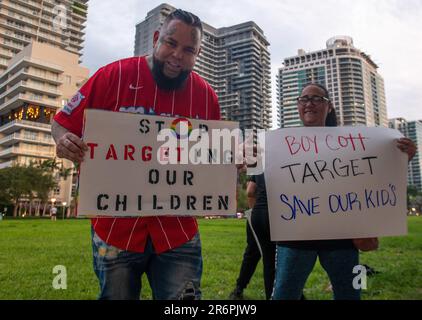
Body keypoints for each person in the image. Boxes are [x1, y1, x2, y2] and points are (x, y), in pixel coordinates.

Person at [51, 9, 221, 300]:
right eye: (170, 43)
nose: (177, 55)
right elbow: (61, 122)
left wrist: (232, 161)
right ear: (156, 39)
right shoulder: (112, 75)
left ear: (198, 53)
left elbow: (212, 157)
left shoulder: (207, 96)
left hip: (178, 231)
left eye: (189, 49)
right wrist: (64, 140)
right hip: (114, 230)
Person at [271, 83, 416, 300]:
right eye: (304, 99)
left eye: (317, 99)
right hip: (296, 236)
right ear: (298, 106)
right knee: (284, 295)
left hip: (344, 237)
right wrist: (251, 160)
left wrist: (406, 156)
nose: (310, 103)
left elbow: (376, 176)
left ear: (329, 107)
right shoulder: (281, 144)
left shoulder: (352, 143)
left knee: (350, 294)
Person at [230, 175, 276, 300]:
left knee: (252, 253)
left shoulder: (261, 162)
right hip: (274, 213)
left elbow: (250, 191)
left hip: (257, 214)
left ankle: (239, 288)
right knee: (273, 260)